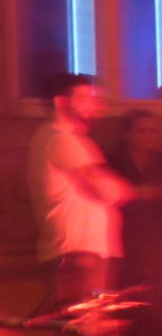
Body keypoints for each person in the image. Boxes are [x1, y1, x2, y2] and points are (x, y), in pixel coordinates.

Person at [25, 74, 134, 305]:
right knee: (82, 333)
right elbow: (108, 191)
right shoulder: (60, 139)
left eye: (94, 97)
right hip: (78, 255)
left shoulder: (69, 139)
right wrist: (123, 187)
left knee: (87, 333)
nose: (92, 104)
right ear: (60, 102)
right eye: (83, 97)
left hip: (84, 255)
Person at [103, 110, 162, 336]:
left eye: (152, 130)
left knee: (161, 308)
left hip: (160, 243)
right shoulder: (113, 161)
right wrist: (141, 193)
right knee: (128, 309)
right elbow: (111, 196)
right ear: (127, 133)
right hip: (126, 243)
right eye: (141, 130)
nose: (149, 136)